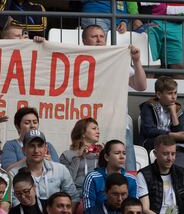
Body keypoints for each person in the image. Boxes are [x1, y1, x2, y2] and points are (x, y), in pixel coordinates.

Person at [82, 24, 147, 171]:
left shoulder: (115, 59)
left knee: (126, 169)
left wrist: (136, 61)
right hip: (89, 123)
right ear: (85, 41)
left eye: (101, 36)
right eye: (94, 37)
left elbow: (141, 86)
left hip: (117, 122)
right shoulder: (77, 60)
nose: (99, 40)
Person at [9, 130, 80, 210]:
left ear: (45, 148)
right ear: (24, 149)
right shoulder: (14, 173)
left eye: (40, 146)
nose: (36, 150)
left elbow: (73, 197)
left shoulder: (61, 170)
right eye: (32, 146)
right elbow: (13, 201)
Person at [126, 0, 184, 76]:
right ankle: (145, 89)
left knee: (178, 66)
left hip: (174, 22)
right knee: (149, 65)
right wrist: (135, 17)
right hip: (149, 22)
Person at [139, 76, 184, 164]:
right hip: (152, 141)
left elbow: (180, 132)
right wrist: (171, 135)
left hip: (173, 143)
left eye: (175, 93)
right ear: (159, 94)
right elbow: (149, 131)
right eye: (170, 93)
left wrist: (173, 113)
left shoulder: (178, 109)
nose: (174, 97)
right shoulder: (149, 106)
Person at [82, 139, 137, 210]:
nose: (122, 157)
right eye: (117, 153)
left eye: (124, 153)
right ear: (106, 157)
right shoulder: (93, 178)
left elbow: (134, 208)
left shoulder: (131, 179)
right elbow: (89, 209)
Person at [136, 135, 184, 214]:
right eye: (165, 154)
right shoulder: (143, 175)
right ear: (155, 153)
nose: (170, 158)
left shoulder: (181, 173)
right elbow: (145, 209)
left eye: (173, 154)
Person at [60, 117, 101, 196]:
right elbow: (66, 182)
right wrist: (77, 158)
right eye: (94, 128)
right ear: (83, 133)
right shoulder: (67, 155)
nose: (98, 132)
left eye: (98, 129)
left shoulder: (100, 154)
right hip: (76, 196)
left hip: (97, 194)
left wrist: (105, 159)